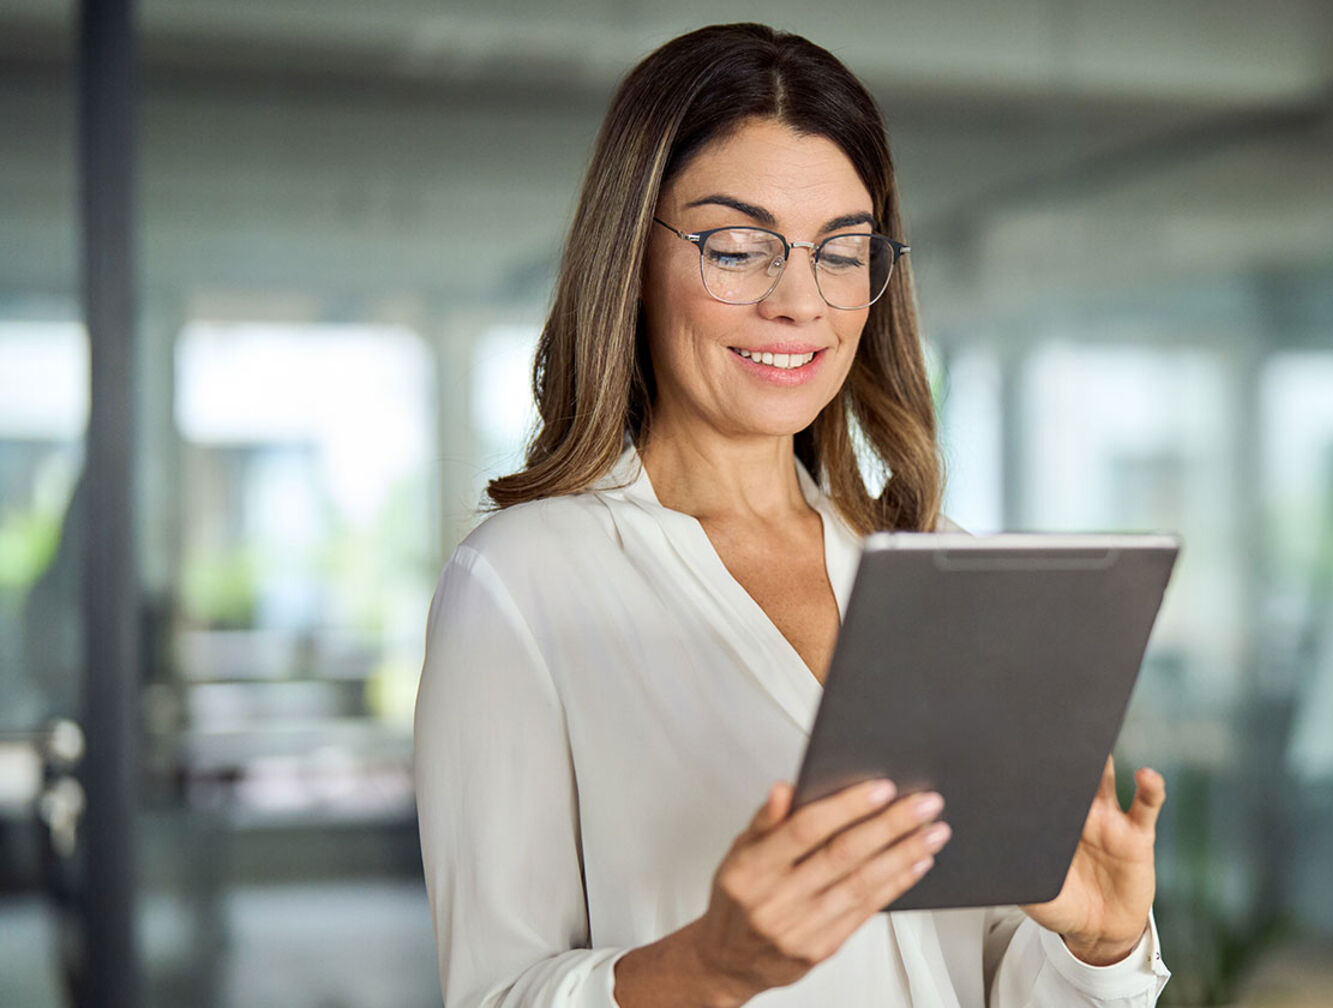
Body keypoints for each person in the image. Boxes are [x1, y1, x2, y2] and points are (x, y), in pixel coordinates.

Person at [414, 23, 1171, 1008]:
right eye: (737, 249)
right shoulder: (523, 582)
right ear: (630, 259)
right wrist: (709, 967)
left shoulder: (945, 573)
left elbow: (995, 976)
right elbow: (494, 993)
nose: (800, 302)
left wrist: (1101, 950)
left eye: (842, 252)